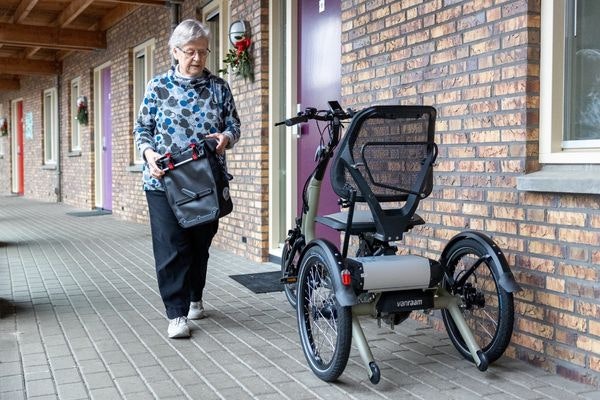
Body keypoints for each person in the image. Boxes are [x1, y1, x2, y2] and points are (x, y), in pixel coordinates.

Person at [134, 19, 241, 338]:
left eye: (203, 52)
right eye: (191, 52)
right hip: (162, 180)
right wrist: (148, 154)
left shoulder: (218, 87)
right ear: (175, 52)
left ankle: (195, 296)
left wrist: (226, 138)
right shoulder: (157, 87)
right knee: (171, 245)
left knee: (199, 244)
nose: (197, 58)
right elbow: (142, 129)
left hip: (205, 180)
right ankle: (176, 314)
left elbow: (234, 125)